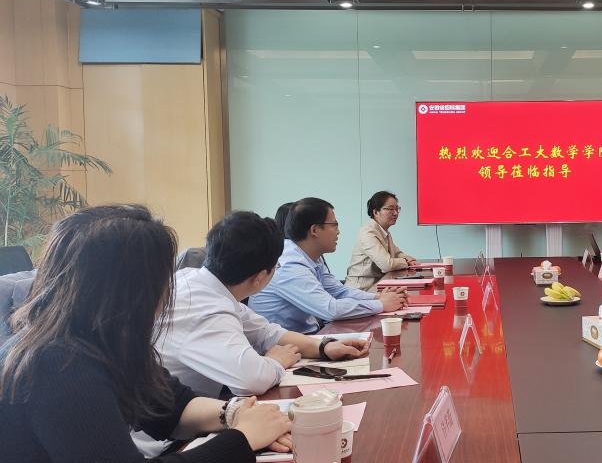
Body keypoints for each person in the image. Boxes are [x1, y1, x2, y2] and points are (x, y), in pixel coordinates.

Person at [0, 204, 290, 462]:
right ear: (133, 291)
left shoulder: (106, 337)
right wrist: (242, 439)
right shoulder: (58, 365)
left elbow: (171, 407)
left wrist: (233, 413)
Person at [137, 211, 370, 455]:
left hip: (200, 416)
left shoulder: (202, 282)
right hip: (168, 443)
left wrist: (323, 347)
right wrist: (275, 361)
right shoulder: (206, 309)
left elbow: (265, 332)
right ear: (260, 278)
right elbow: (250, 379)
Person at [249, 197, 407, 333]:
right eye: (334, 225)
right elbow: (330, 310)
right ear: (315, 230)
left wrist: (378, 297)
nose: (338, 232)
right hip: (285, 347)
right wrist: (381, 304)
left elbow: (339, 291)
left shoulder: (311, 256)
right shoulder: (289, 265)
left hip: (309, 335)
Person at [346, 191, 418, 290]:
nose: (396, 213)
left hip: (378, 285)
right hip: (361, 290)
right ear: (376, 212)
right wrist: (406, 262)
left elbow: (396, 253)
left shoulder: (383, 230)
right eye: (391, 209)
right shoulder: (368, 233)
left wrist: (409, 258)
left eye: (397, 209)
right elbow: (387, 265)